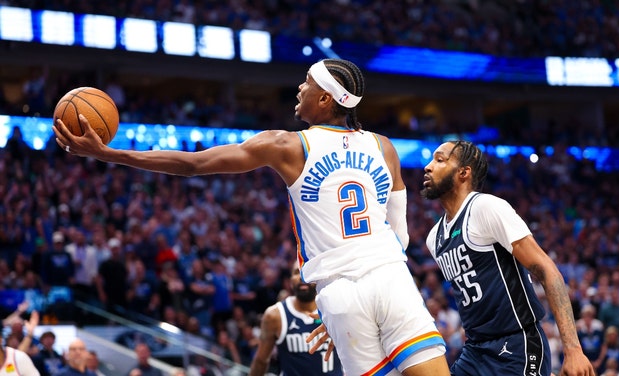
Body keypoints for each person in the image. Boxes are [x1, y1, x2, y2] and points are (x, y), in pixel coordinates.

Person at [54, 58, 450, 375]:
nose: (300, 88)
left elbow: (193, 165)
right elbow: (400, 237)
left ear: (327, 99)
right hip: (391, 275)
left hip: (340, 294)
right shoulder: (383, 146)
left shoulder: (287, 145)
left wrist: (111, 154)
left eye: (307, 83)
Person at [420, 140, 595, 375]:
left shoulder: (486, 208)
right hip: (475, 351)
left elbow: (547, 270)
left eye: (440, 160)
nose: (428, 166)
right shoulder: (435, 238)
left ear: (464, 172)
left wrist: (573, 350)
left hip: (517, 344)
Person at [250, 262, 343, 376]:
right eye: (296, 272)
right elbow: (261, 361)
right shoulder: (275, 315)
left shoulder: (334, 308)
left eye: (307, 271)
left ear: (317, 278)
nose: (301, 276)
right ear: (290, 281)